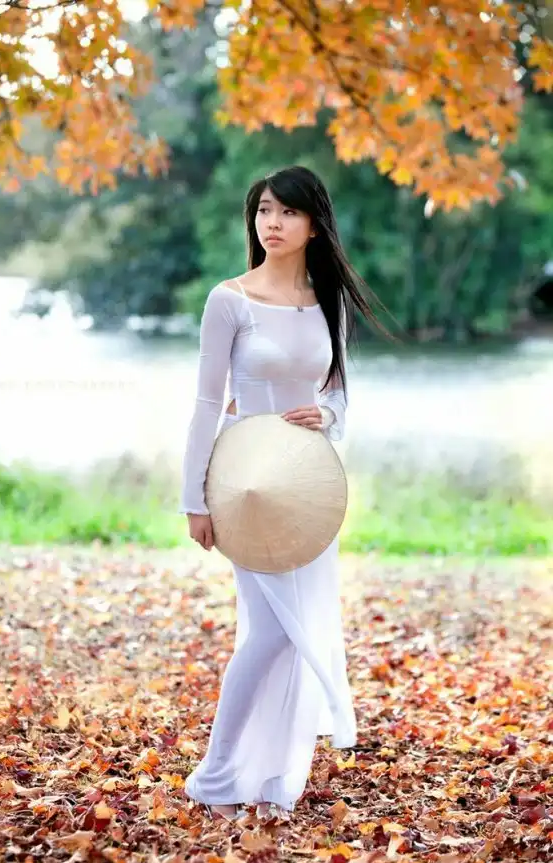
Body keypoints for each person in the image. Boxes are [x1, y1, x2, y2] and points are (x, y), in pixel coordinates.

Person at [179, 165, 388, 822]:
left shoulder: (329, 301)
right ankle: (216, 775)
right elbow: (207, 402)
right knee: (272, 630)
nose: (272, 223)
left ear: (314, 224)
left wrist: (324, 414)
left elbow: (339, 395)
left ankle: (273, 776)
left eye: (287, 212)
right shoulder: (230, 300)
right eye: (264, 210)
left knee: (296, 631)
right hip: (245, 482)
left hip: (308, 486)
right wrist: (194, 499)